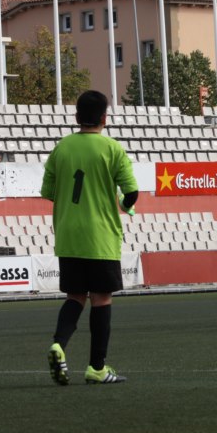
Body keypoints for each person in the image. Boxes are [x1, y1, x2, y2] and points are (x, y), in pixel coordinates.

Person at [41, 90, 139, 385]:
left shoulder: (62, 148)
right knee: (101, 299)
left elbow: (48, 192)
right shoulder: (112, 149)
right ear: (104, 119)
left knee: (75, 296)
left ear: (76, 117)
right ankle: (97, 368)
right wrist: (122, 205)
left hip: (68, 236)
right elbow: (132, 192)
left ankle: (59, 343)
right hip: (101, 236)